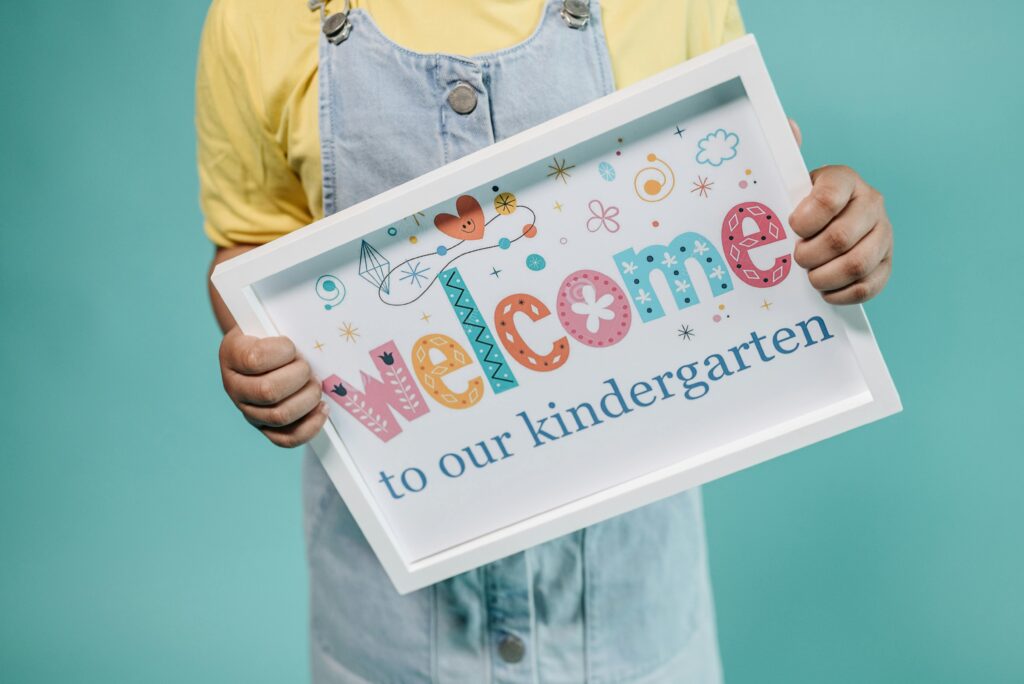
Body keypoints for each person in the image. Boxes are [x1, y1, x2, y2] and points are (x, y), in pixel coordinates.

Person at [197, 1, 894, 681]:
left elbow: (743, 184)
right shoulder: (256, 16)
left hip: (633, 612)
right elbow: (249, 247)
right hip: (388, 627)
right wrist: (256, 349)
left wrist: (831, 229)